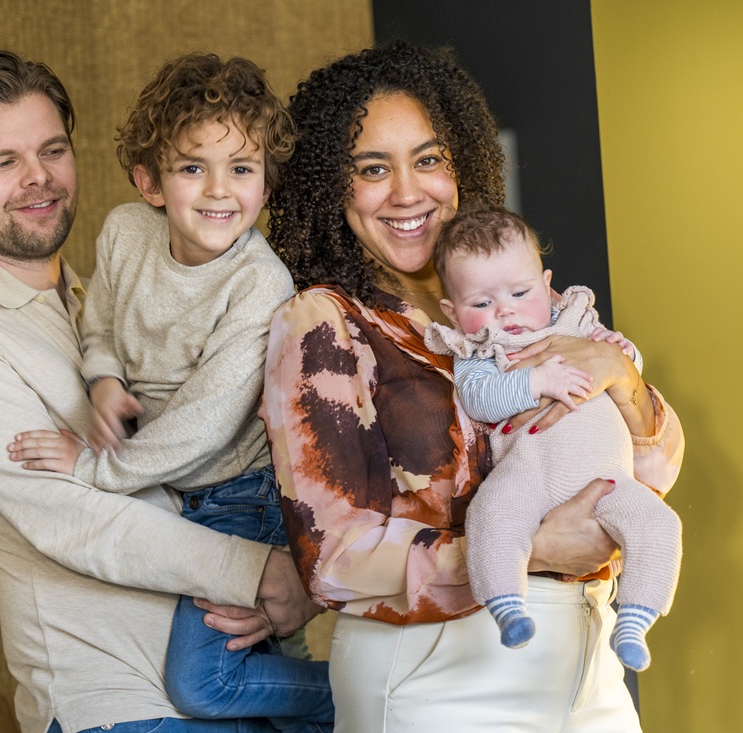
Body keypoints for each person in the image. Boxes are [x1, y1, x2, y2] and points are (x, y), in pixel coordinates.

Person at [260, 40, 685, 732]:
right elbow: (333, 560)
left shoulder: (514, 302)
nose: (408, 191)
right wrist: (533, 549)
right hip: (434, 674)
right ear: (331, 187)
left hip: (587, 661)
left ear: (461, 162)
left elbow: (651, 469)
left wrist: (625, 381)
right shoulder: (323, 324)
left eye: (429, 158)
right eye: (373, 169)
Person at [0, 50, 316, 733]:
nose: (38, 179)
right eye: (2, 161)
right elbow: (76, 518)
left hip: (240, 669)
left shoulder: (114, 291)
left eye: (52, 150)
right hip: (119, 704)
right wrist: (268, 571)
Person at [422, 204, 683, 672]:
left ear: (547, 284)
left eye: (521, 292)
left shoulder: (575, 320)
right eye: (480, 304)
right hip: (529, 474)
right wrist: (535, 383)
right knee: (492, 515)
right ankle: (506, 604)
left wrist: (624, 356)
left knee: (660, 526)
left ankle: (636, 619)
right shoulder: (479, 348)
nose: (505, 311)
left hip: (609, 477)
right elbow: (479, 398)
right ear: (452, 311)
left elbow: (624, 364)